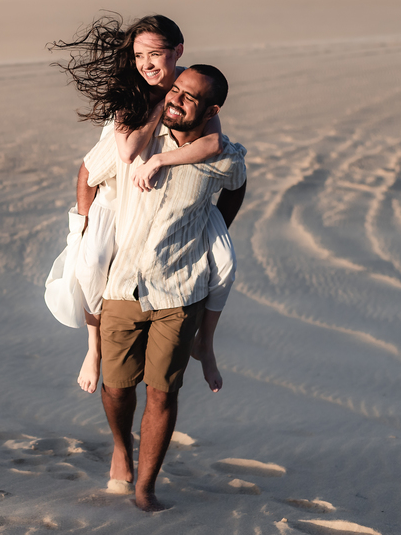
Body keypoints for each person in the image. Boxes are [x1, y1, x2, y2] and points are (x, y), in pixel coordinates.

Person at [81, 65, 246, 512]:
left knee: (162, 391)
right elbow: (88, 171)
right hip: (123, 284)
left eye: (189, 97)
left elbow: (236, 184)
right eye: (175, 89)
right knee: (115, 388)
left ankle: (145, 487)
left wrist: (214, 227)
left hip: (179, 290)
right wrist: (83, 230)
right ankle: (121, 446)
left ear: (211, 110)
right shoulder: (138, 141)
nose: (176, 99)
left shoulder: (221, 156)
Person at [53, 15, 224, 395]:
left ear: (177, 51)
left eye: (155, 54)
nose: (145, 63)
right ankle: (93, 349)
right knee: (94, 262)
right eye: (138, 54)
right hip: (114, 190)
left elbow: (213, 143)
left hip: (162, 192)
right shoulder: (132, 90)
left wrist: (162, 160)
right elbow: (128, 151)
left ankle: (206, 347)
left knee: (224, 268)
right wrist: (161, 106)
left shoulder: (190, 84)